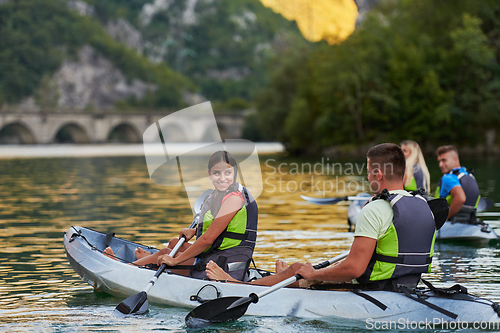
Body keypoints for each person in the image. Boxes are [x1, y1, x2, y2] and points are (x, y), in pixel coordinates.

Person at [207, 143, 436, 290]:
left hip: (375, 289)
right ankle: (283, 279)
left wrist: (314, 273)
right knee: (301, 271)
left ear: (378, 173)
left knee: (298, 269)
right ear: (403, 172)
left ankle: (234, 283)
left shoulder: (375, 209)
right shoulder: (424, 204)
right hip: (408, 286)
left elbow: (354, 269)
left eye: (368, 171)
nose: (367, 176)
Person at [103, 150, 258, 281]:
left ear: (235, 172)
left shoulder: (235, 199)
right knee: (174, 242)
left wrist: (175, 260)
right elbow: (219, 227)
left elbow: (208, 239)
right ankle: (145, 263)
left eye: (228, 173)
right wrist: (195, 231)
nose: (222, 178)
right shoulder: (219, 194)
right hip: (217, 255)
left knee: (166, 253)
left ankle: (124, 270)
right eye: (217, 173)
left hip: (224, 266)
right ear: (209, 174)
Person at [435, 145, 480, 223]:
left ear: (455, 160)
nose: (440, 165)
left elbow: (461, 198)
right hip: (470, 221)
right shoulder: (469, 175)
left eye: (444, 160)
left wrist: (445, 219)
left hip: (452, 222)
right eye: (439, 161)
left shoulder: (448, 178)